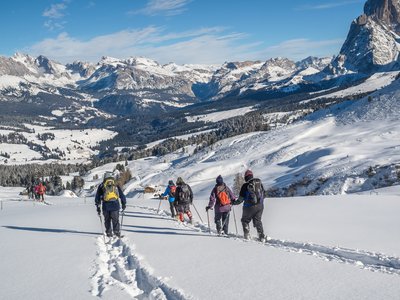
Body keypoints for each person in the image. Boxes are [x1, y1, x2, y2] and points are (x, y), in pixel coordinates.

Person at [232, 170, 266, 242]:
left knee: (245, 220)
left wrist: (234, 203)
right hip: (260, 206)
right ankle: (261, 236)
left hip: (249, 207)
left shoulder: (245, 186)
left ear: (246, 177)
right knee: (258, 221)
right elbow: (264, 194)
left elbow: (240, 199)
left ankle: (247, 234)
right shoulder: (259, 183)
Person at [95, 172, 126, 238]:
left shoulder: (102, 185)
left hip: (106, 206)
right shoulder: (115, 185)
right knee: (115, 220)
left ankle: (109, 233)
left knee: (107, 220)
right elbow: (121, 195)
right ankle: (117, 232)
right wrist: (124, 203)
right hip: (115, 205)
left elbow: (97, 197)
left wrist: (98, 206)